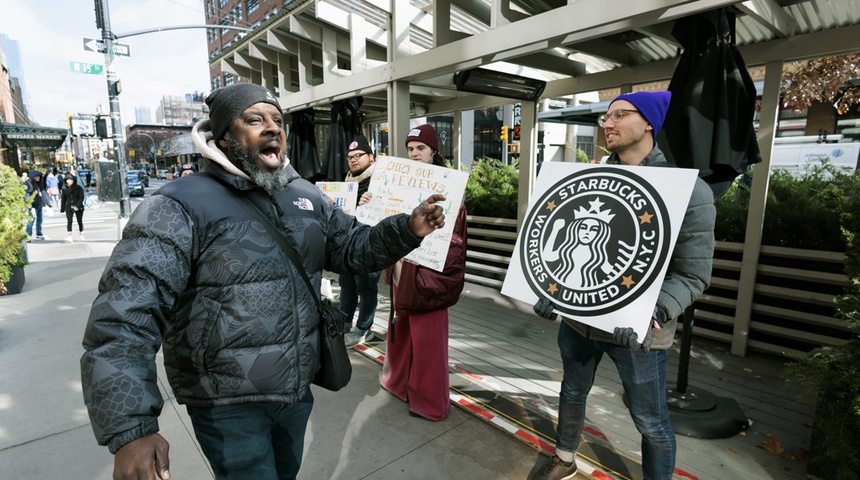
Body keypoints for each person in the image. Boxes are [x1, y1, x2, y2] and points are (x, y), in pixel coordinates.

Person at [80, 82, 447, 480]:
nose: (272, 127)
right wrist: (131, 428)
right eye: (255, 119)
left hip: (295, 392)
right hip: (226, 404)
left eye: (277, 119)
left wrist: (408, 229)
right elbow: (124, 317)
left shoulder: (304, 193)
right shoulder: (178, 204)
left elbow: (353, 247)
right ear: (224, 136)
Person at [530, 91, 716, 480]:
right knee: (571, 392)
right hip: (579, 322)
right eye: (605, 117)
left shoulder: (689, 192)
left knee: (651, 421)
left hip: (639, 334)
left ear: (649, 123)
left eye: (619, 115)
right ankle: (564, 458)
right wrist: (550, 290)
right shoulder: (589, 180)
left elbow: (694, 275)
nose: (608, 124)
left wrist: (657, 311)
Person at [379, 124, 468, 421]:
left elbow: (454, 241)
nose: (415, 154)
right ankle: (397, 383)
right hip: (403, 268)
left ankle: (431, 402)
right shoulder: (399, 183)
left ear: (433, 151)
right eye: (410, 149)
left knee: (429, 341)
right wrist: (369, 204)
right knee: (401, 330)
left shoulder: (451, 189)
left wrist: (435, 278)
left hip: (428, 274)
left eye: (420, 148)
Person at [340, 135, 383, 348]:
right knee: (346, 284)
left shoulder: (381, 181)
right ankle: (344, 324)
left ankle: (364, 329)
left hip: (370, 244)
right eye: (350, 157)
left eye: (358, 156)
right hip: (347, 243)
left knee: (366, 286)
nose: (354, 160)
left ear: (371, 157)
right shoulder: (346, 182)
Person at [24, 169, 50, 241]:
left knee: (40, 220)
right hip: (32, 206)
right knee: (31, 220)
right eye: (36, 176)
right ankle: (28, 235)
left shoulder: (38, 184)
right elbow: (26, 195)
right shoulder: (28, 183)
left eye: (39, 176)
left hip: (39, 204)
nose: (38, 178)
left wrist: (47, 204)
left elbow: (43, 192)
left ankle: (39, 234)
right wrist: (29, 206)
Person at [60, 173, 85, 242]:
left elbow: (81, 198)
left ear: (73, 180)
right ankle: (69, 236)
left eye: (70, 180)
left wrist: (77, 206)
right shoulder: (64, 189)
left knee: (79, 221)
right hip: (68, 207)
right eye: (67, 180)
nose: (68, 181)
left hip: (78, 207)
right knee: (69, 221)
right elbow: (63, 199)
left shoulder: (78, 188)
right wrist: (62, 208)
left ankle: (81, 234)